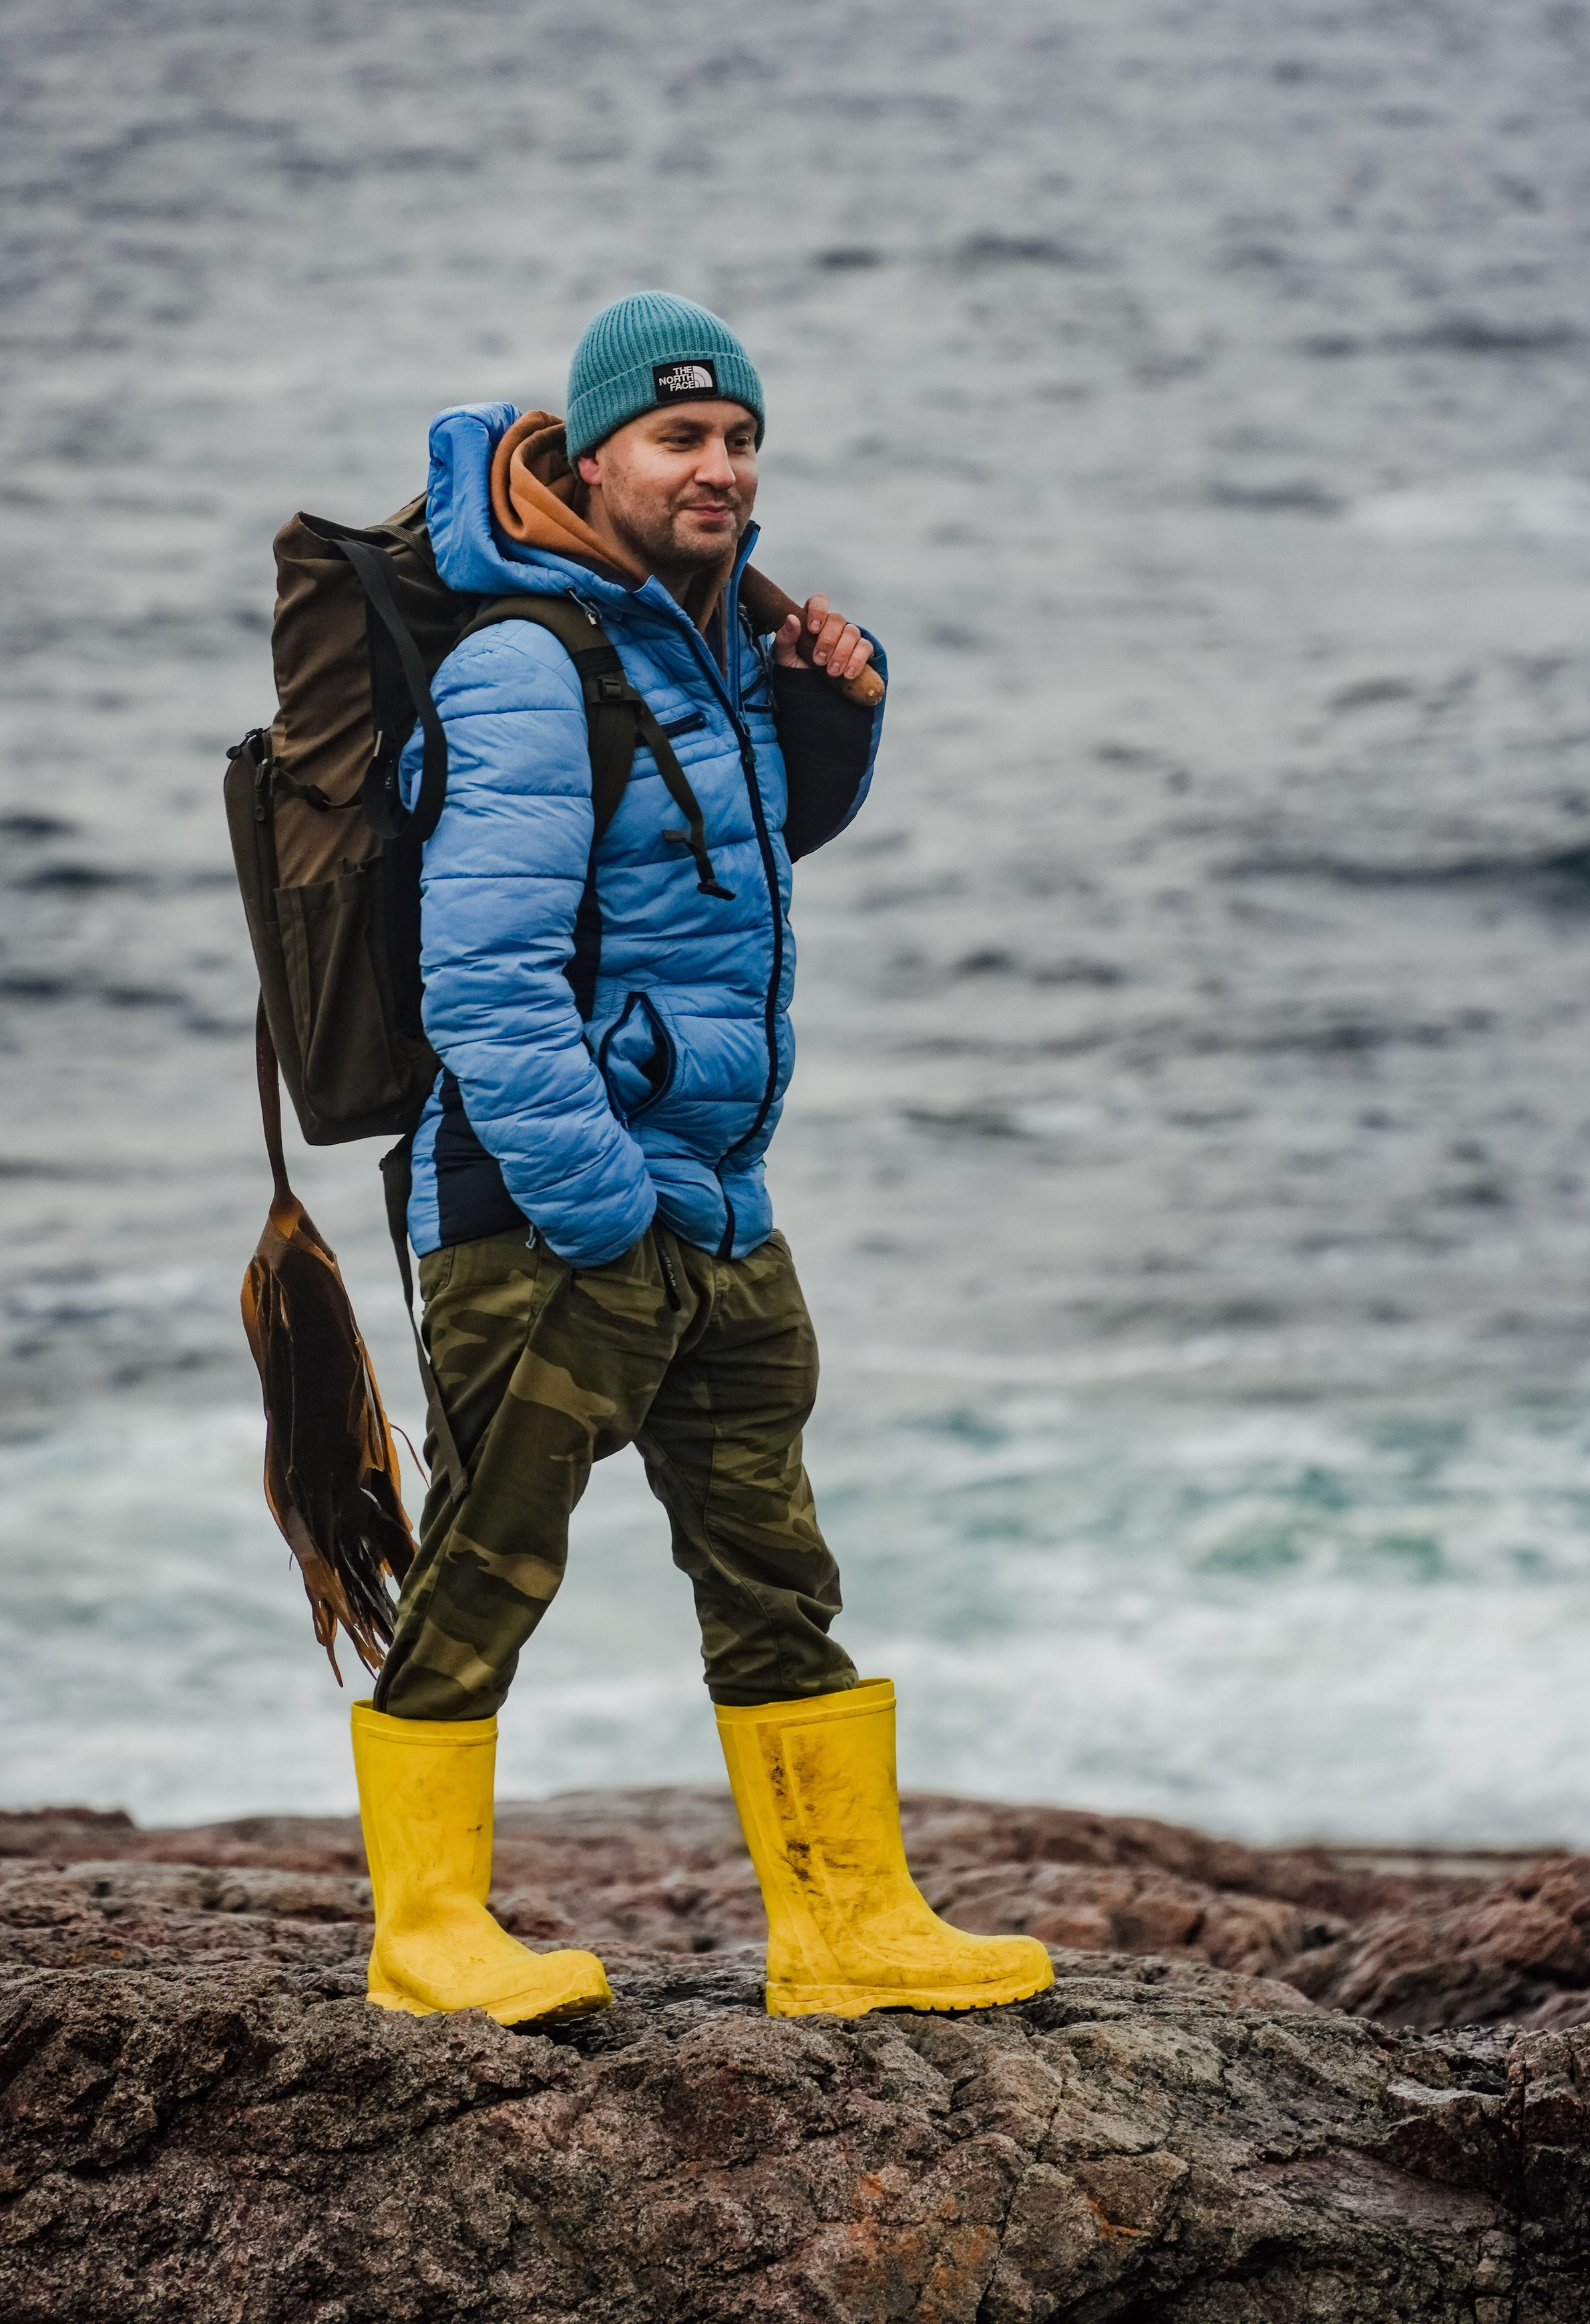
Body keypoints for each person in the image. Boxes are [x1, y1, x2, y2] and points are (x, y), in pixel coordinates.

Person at [350, 292, 1052, 2028]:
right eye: (681, 437)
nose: (720, 465)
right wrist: (600, 1209)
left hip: (715, 1201)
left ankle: (843, 1924)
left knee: (776, 1572)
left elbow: (728, 860)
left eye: (740, 437)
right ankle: (426, 1935)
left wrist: (841, 714)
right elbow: (486, 982)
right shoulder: (525, 664)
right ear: (596, 460)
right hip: (551, 1207)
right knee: (486, 1568)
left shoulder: (718, 648)